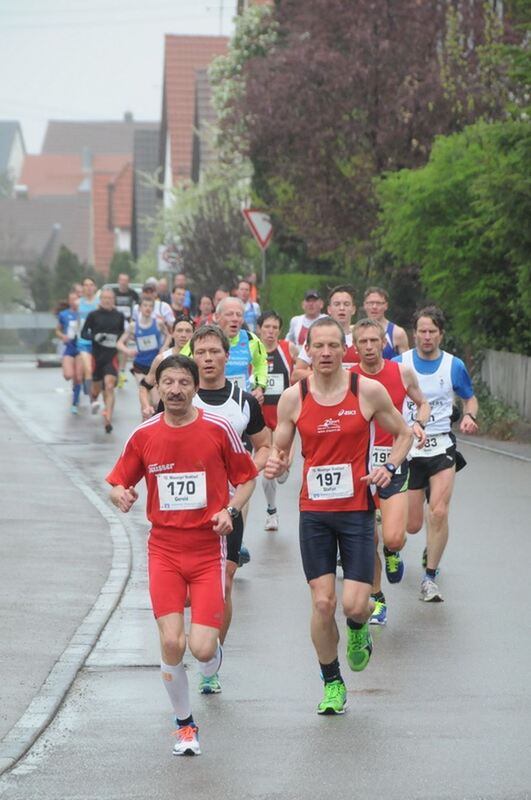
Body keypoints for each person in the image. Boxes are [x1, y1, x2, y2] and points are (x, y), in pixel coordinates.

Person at [107, 354, 257, 756]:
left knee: (203, 649)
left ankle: (213, 657)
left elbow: (246, 478)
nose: (174, 390)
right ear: (158, 388)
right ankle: (185, 725)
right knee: (172, 642)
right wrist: (120, 493)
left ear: (194, 388)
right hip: (165, 550)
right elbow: (117, 481)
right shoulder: (144, 434)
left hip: (208, 549)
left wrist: (231, 510)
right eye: (167, 383)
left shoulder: (218, 429)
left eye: (182, 383)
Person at [265, 317, 413, 715]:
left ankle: (359, 630)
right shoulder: (294, 398)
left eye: (334, 345)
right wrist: (277, 465)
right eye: (319, 346)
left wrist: (389, 468)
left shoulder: (366, 391)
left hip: (356, 513)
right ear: (308, 350)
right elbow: (280, 448)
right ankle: (332, 682)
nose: (326, 353)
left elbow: (404, 434)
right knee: (322, 603)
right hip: (314, 513)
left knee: (354, 605)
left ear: (342, 350)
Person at [189, 325, 270, 693]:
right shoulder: (179, 398)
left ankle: (211, 661)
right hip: (186, 507)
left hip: (229, 506)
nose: (207, 358)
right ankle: (202, 638)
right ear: (193, 357)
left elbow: (264, 445)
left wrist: (247, 479)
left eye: (214, 352)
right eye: (201, 352)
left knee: (224, 581)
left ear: (227, 355)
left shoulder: (244, 402)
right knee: (192, 589)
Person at [394, 306, 479, 602]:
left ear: (441, 334)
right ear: (415, 332)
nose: (427, 336)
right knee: (412, 525)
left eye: (432, 331)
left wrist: (470, 416)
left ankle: (430, 578)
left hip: (442, 444)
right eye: (422, 331)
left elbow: (469, 398)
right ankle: (406, 546)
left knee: (439, 511)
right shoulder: (400, 363)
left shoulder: (453, 365)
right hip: (409, 448)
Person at [351, 319, 430, 625]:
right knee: (367, 538)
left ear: (384, 342)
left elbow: (422, 403)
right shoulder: (348, 377)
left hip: (394, 461)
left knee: (394, 536)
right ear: (355, 346)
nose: (369, 347)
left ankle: (394, 550)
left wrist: (418, 424)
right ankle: (377, 598)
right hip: (359, 468)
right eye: (363, 342)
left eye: (375, 341)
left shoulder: (401, 372)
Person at [256, 310, 293, 530]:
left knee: (282, 474)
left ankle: (283, 465)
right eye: (267, 327)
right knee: (269, 467)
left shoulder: (288, 350)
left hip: (284, 418)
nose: (270, 332)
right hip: (260, 420)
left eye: (275, 328)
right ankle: (271, 512)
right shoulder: (253, 351)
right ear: (259, 328)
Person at [199, 297, 268, 402]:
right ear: (217, 317)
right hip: (210, 400)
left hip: (241, 401)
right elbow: (183, 364)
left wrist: (259, 387)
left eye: (239, 315)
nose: (235, 319)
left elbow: (261, 363)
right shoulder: (202, 339)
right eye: (229, 314)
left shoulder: (251, 339)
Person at [80, 288, 126, 433]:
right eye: (105, 298)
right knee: (96, 389)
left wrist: (118, 340)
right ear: (100, 300)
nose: (107, 300)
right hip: (97, 358)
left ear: (114, 300)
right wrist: (95, 337)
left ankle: (108, 420)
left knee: (110, 386)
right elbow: (83, 333)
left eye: (110, 298)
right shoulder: (93, 315)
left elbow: (122, 333)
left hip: (111, 357)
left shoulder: (119, 316)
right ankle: (94, 398)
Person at [292, 285, 360, 381]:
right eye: (337, 304)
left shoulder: (362, 338)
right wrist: (327, 375)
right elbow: (296, 375)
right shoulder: (315, 337)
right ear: (329, 309)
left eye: (346, 304)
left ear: (353, 309)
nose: (341, 308)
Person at [117, 296, 166, 418]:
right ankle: (144, 426)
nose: (148, 308)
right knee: (145, 399)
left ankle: (153, 422)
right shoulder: (134, 326)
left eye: (150, 306)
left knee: (156, 401)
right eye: (145, 306)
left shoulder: (158, 324)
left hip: (155, 366)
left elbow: (170, 335)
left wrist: (163, 348)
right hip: (140, 366)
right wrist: (127, 351)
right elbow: (119, 343)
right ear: (140, 308)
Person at [137, 318, 195, 420]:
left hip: (192, 414)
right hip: (167, 415)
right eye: (179, 330)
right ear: (172, 333)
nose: (183, 335)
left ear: (193, 334)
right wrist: (146, 407)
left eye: (188, 331)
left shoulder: (198, 358)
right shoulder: (162, 358)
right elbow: (144, 387)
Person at [55, 291, 83, 414]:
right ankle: (74, 386)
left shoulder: (83, 313)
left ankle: (75, 403)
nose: (74, 302)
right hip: (69, 347)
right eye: (71, 299)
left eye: (76, 299)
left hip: (81, 349)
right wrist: (63, 336)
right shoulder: (63, 314)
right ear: (69, 301)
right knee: (68, 375)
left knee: (78, 377)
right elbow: (57, 330)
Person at [362, 287, 409, 358]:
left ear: (386, 306)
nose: (374, 307)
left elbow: (406, 362)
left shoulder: (397, 333)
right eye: (371, 303)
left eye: (378, 303)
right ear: (364, 305)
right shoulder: (356, 331)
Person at [113, 273, 140, 387]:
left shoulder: (133, 294)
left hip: (126, 324)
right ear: (118, 281)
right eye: (122, 280)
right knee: (114, 348)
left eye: (126, 280)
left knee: (124, 347)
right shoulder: (113, 293)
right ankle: (116, 369)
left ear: (128, 282)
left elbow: (138, 308)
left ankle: (122, 372)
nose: (123, 282)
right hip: (114, 323)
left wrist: (133, 322)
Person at [286, 289, 326, 359]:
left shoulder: (327, 321)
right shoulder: (295, 321)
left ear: (321, 304)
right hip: (299, 363)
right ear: (303, 304)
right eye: (308, 301)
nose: (311, 304)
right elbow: (288, 342)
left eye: (314, 301)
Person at [77, 277, 99, 398]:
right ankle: (93, 399)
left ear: (95, 287)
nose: (89, 287)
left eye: (91, 285)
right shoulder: (78, 303)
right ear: (83, 288)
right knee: (88, 369)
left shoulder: (99, 303)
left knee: (95, 371)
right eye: (86, 285)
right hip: (83, 341)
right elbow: (75, 323)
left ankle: (89, 389)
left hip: (97, 342)